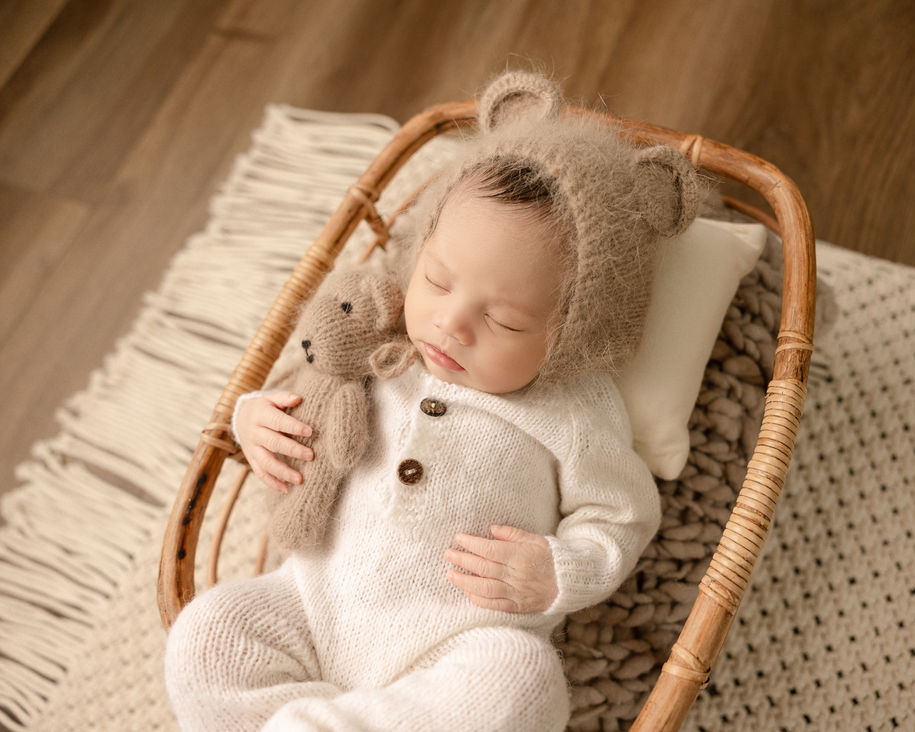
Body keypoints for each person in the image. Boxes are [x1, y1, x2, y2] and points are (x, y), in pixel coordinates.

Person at [164, 70, 701, 731]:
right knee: (207, 636)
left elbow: (621, 516)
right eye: (437, 280)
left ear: (574, 332)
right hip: (309, 604)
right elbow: (301, 381)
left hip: (454, 648)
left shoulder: (573, 408)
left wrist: (560, 569)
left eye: (503, 320)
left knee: (521, 685)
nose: (451, 323)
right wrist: (254, 419)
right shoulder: (381, 335)